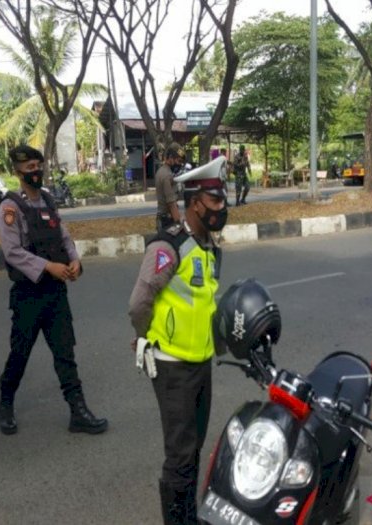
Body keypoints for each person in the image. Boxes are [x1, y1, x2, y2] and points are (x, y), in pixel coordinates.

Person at [128, 156, 228, 525]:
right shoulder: (168, 247)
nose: (222, 208)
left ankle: (188, 516)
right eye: (215, 201)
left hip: (200, 362)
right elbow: (139, 304)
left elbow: (206, 304)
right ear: (196, 202)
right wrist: (145, 339)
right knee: (180, 454)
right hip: (172, 366)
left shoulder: (210, 247)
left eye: (223, 199)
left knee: (193, 448)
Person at [0, 145, 107, 436]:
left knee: (65, 352)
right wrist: (48, 266)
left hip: (55, 293)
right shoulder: (10, 207)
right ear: (17, 172)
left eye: (38, 166)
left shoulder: (47, 200)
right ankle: (5, 403)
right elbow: (12, 252)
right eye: (29, 167)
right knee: (20, 353)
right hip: (28, 296)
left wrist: (74, 260)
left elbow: (63, 235)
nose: (35, 171)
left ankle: (78, 411)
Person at [155, 142, 185, 233]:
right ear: (171, 158)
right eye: (178, 161)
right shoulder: (167, 176)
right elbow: (171, 204)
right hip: (167, 221)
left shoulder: (161, 171)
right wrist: (180, 224)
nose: (179, 165)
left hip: (163, 219)